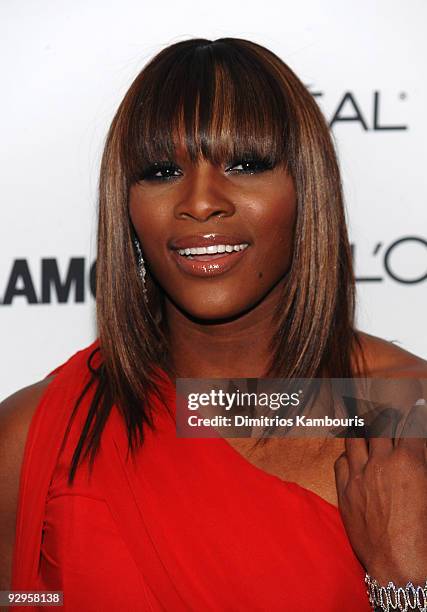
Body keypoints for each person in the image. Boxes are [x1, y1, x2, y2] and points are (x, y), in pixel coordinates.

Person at [0, 37, 426, 612]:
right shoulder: (34, 433)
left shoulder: (405, 410)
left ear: (307, 189)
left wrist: (406, 583)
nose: (200, 202)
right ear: (125, 204)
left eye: (246, 164)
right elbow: (23, 599)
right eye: (161, 170)